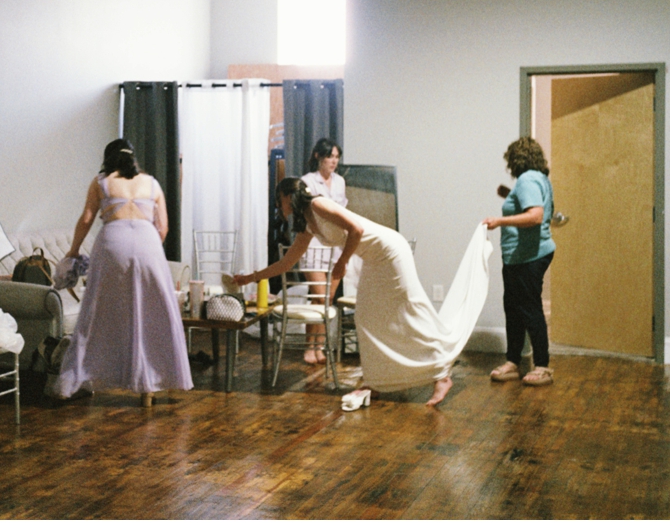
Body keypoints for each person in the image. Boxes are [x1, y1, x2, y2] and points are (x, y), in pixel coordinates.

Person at [235, 178, 491, 408]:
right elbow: (286, 263)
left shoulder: (318, 205)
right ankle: (376, 380)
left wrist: (343, 261)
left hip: (390, 251)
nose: (279, 206)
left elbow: (355, 228)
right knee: (366, 317)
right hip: (374, 258)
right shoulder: (307, 225)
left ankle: (441, 376)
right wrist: (250, 277)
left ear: (288, 196)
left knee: (410, 309)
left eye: (279, 200)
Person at [49, 139, 193, 407]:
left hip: (112, 244)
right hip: (148, 244)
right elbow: (163, 228)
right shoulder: (151, 183)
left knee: (94, 313)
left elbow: (86, 219)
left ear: (107, 159)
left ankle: (72, 382)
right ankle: (149, 386)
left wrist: (73, 251)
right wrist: (146, 248)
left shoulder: (101, 181)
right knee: (154, 312)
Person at [482, 137, 556, 387]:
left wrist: (498, 221)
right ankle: (513, 362)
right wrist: (508, 194)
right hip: (521, 256)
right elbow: (530, 207)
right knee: (513, 309)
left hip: (528, 256)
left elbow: (535, 216)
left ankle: (543, 366)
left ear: (516, 160)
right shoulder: (539, 179)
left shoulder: (527, 180)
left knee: (529, 308)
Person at [298, 138, 347, 365]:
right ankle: (310, 346)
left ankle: (319, 345)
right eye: (330, 157)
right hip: (315, 244)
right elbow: (307, 214)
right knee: (318, 296)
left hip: (335, 245)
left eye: (336, 157)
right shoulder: (307, 181)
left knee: (327, 299)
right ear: (319, 156)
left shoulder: (340, 182)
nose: (333, 162)